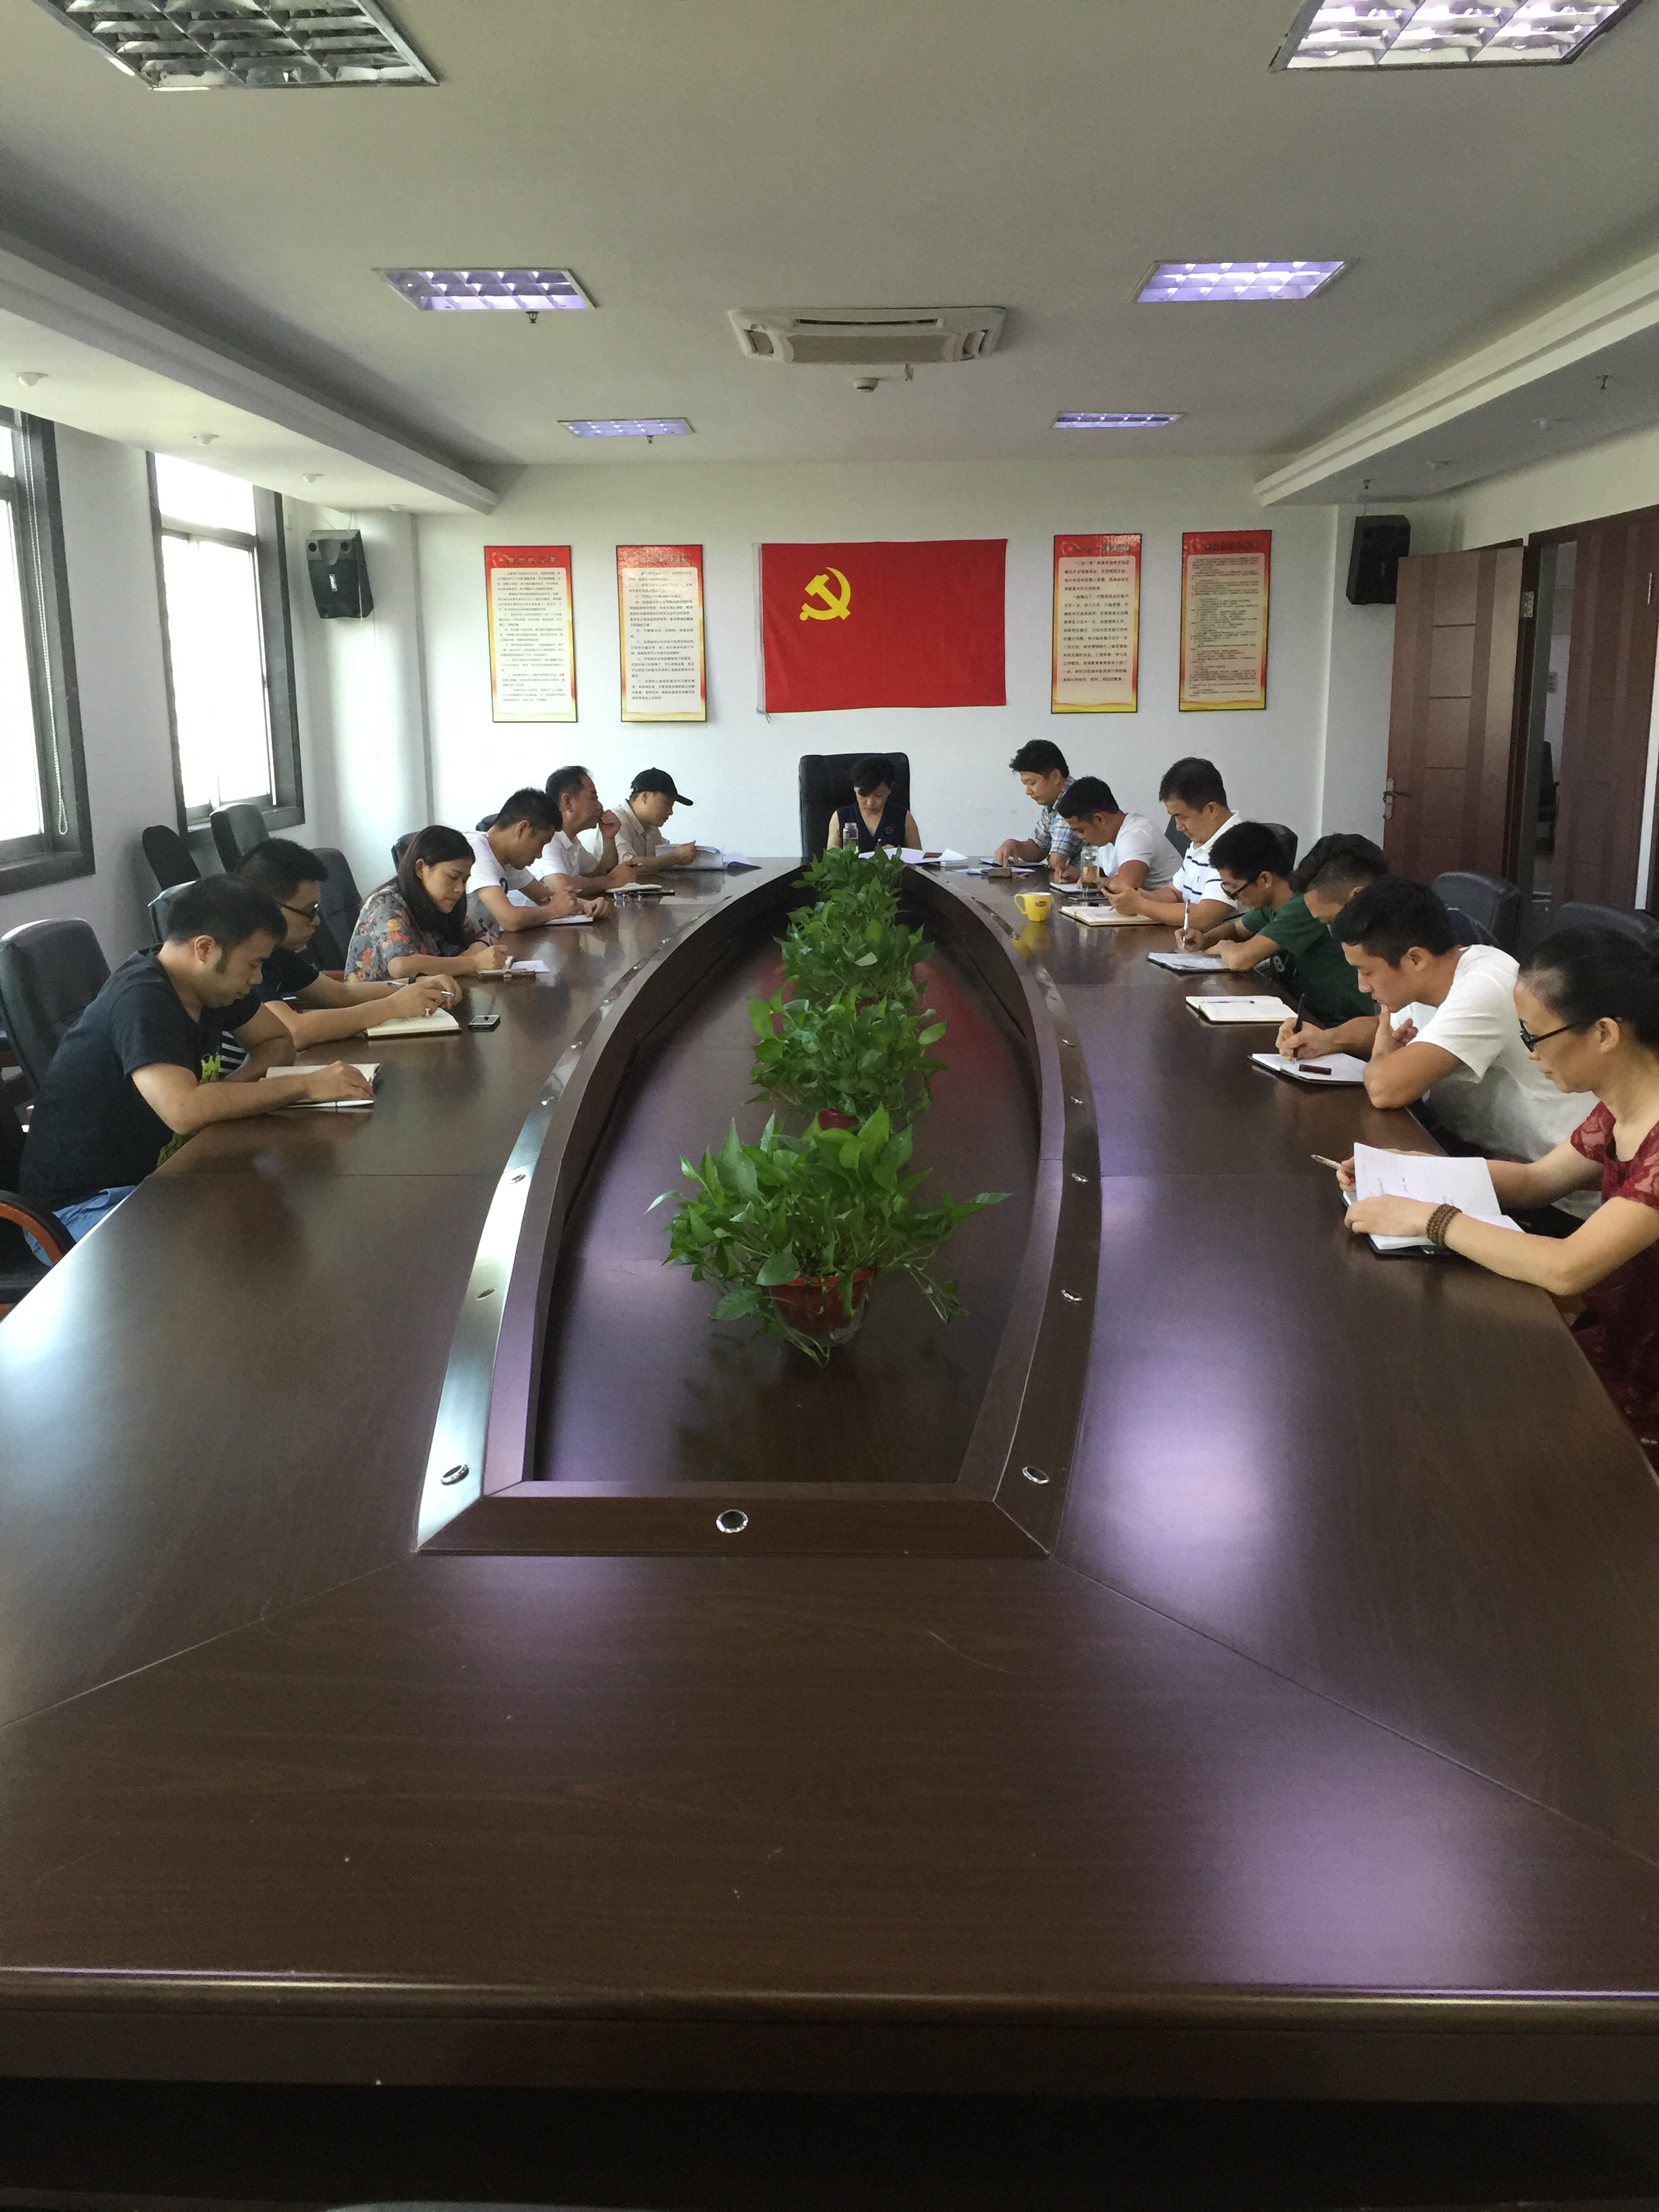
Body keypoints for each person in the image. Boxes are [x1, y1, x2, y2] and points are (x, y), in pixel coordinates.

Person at [1343, 928, 1659, 1452]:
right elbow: (1538, 1181)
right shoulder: (1620, 1105)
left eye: (1535, 1037)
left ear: (1604, 1033)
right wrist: (1427, 1169)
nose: (1530, 1054)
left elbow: (1568, 1267)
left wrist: (1430, 1218)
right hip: (1623, 1330)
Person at [18, 876, 371, 1244]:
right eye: (253, 964)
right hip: (83, 1207)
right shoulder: (142, 999)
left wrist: (222, 1095)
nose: (258, 978)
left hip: (164, 1174)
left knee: (283, 1210)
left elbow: (276, 1040)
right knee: (239, 1244)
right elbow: (184, 1111)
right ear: (205, 948)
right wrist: (305, 1085)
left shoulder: (211, 985)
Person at [1328, 874, 1593, 1160]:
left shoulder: (1485, 986)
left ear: (1416, 959)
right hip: (1479, 1150)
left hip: (1553, 1171)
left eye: (1367, 972)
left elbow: (1384, 1089)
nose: (1362, 986)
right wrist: (1328, 1039)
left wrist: (1381, 1054)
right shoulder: (1427, 979)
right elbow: (1392, 1033)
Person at [226, 839, 453, 1061]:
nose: (317, 921)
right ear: (270, 908)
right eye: (310, 911)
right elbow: (294, 1031)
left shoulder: (279, 953)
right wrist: (393, 1006)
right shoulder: (243, 959)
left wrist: (416, 983)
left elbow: (342, 995)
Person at [1189, 821, 1373, 1027]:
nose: (1234, 897)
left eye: (1234, 889)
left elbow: (1241, 959)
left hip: (1334, 1022)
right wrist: (1205, 939)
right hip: (1296, 1010)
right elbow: (1236, 929)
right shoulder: (1273, 904)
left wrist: (1224, 947)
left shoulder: (1305, 905)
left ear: (1265, 880)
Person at [346, 826, 513, 983]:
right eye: (453, 877)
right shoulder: (385, 904)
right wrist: (473, 962)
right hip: (377, 1001)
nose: (460, 889)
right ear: (421, 869)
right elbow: (401, 966)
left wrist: (479, 946)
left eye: (464, 880)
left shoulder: (440, 901)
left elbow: (484, 931)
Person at [1274, 838, 1389, 1061]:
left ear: (1358, 898)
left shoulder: (1405, 944)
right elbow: (1385, 1023)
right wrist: (1325, 1039)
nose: (1332, 935)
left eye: (1332, 922)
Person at [1105, 757, 1247, 932]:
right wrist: (1141, 896)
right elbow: (1175, 893)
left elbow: (1205, 918)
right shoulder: (1201, 841)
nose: (1178, 827)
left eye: (1182, 817)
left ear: (1211, 809)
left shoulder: (1237, 845)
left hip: (1221, 944)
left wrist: (1141, 906)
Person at [466, 789, 605, 933]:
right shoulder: (474, 851)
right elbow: (510, 919)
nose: (539, 855)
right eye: (541, 843)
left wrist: (588, 905)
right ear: (522, 829)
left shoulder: (507, 859)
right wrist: (553, 910)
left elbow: (544, 897)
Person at [1052, 776, 1176, 895]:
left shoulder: (1134, 835)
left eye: (1081, 830)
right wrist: (1078, 874)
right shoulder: (1109, 836)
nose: (1080, 837)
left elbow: (1127, 887)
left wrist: (1094, 881)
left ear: (1099, 819)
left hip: (1171, 906)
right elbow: (1106, 872)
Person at [543, 764, 638, 893]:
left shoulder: (573, 841)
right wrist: (612, 880)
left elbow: (599, 873)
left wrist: (609, 838)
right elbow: (560, 886)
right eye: (593, 798)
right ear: (567, 802)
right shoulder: (546, 839)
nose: (600, 806)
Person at [991, 741, 1082, 872]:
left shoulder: (1075, 798)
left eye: (1032, 783)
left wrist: (1052, 860)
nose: (1028, 791)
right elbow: (1039, 849)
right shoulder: (1052, 801)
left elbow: (1057, 862)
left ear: (1055, 776)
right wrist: (1014, 845)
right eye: (1025, 785)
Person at [826, 755, 921, 853]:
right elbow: (832, 859)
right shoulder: (840, 818)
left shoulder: (904, 817)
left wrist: (897, 854)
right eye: (863, 795)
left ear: (889, 789)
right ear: (855, 789)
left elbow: (918, 858)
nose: (870, 803)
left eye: (878, 795)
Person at [612, 769, 700, 873]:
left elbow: (661, 858)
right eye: (667, 803)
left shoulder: (652, 829)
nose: (671, 812)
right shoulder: (615, 822)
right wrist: (675, 858)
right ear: (645, 796)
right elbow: (627, 868)